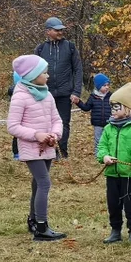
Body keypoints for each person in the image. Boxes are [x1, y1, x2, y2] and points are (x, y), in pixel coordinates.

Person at [7, 55, 66, 241]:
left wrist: (54, 135)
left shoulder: (47, 94)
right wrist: (37, 135)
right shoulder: (20, 96)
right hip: (31, 148)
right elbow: (13, 126)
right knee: (44, 183)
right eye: (44, 72)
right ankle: (42, 227)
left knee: (37, 183)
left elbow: (57, 119)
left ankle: (33, 220)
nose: (48, 76)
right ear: (32, 75)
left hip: (47, 147)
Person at [97, 84, 131, 244]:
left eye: (117, 107)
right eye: (112, 108)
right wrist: (104, 157)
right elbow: (101, 146)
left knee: (130, 204)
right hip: (112, 173)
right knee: (113, 204)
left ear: (128, 108)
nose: (113, 111)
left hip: (129, 174)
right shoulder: (108, 128)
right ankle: (115, 230)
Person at [34, 17, 83, 158]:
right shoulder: (40, 49)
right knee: (45, 122)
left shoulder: (70, 47)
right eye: (57, 30)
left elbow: (78, 70)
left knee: (63, 122)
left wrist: (76, 91)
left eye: (61, 29)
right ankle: (50, 150)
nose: (60, 32)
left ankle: (62, 151)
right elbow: (33, 72)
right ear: (48, 31)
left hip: (65, 93)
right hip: (44, 93)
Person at [78, 73, 112, 152]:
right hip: (97, 124)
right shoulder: (93, 97)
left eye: (108, 85)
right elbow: (86, 107)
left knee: (109, 139)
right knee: (98, 140)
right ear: (98, 87)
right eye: (104, 85)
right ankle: (98, 155)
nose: (107, 87)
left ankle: (109, 154)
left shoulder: (111, 96)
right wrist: (78, 102)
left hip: (109, 123)